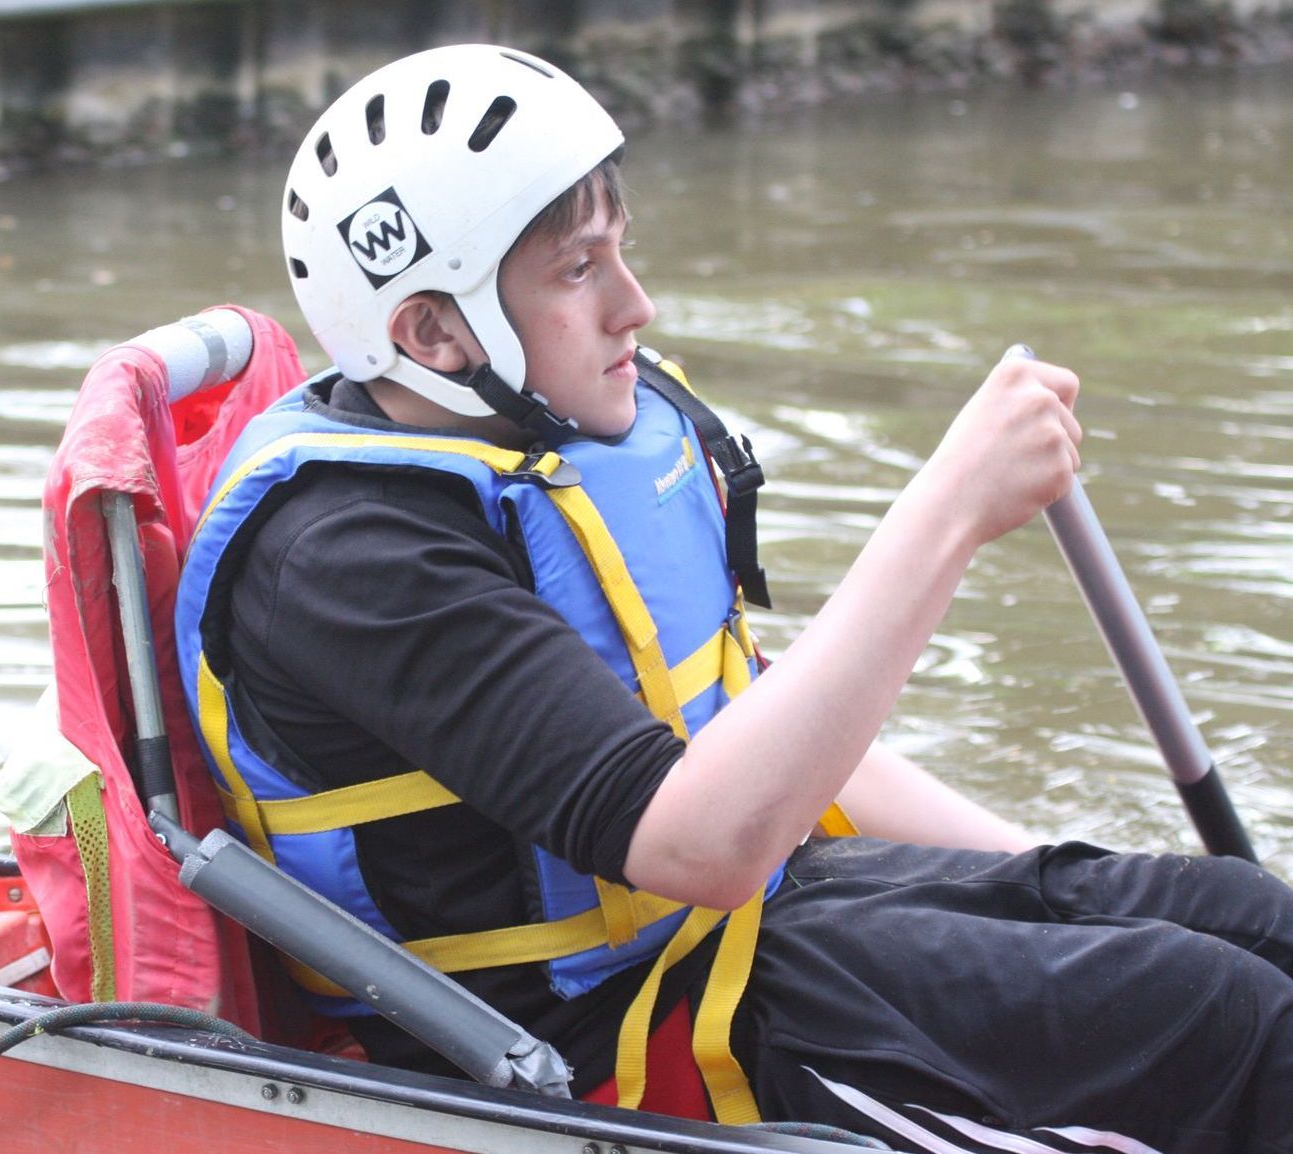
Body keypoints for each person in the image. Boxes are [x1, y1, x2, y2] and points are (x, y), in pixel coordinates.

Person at [173, 43, 1293, 1151]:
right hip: (629, 1041)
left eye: (620, 252)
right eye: (579, 271)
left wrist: (1040, 874)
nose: (637, 306)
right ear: (432, 333)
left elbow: (751, 714)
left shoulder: (542, 445)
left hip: (756, 924)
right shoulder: (348, 559)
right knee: (1229, 1020)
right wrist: (949, 508)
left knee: (1244, 914)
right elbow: (699, 845)